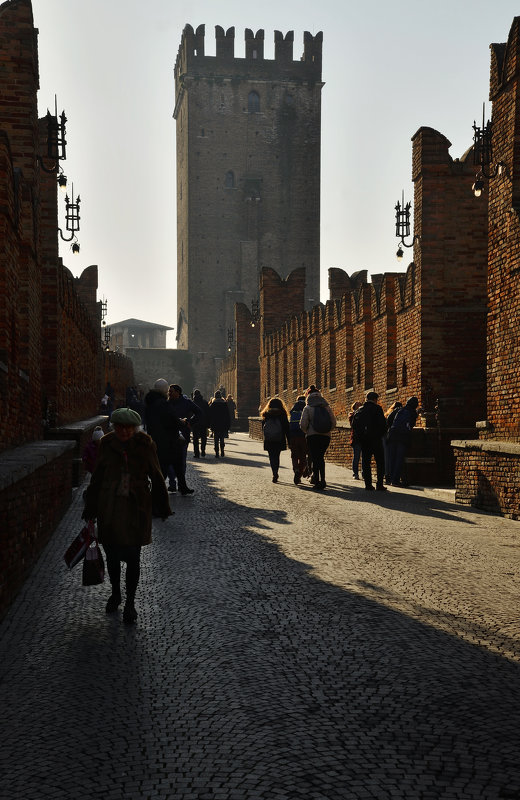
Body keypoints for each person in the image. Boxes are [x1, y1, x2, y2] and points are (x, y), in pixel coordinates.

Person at [82, 407, 172, 624]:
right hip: (110, 506)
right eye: (120, 427)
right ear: (114, 427)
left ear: (135, 428)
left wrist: (162, 505)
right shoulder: (106, 443)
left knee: (133, 557)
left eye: (128, 427)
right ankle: (115, 593)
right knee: (112, 556)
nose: (123, 431)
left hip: (136, 506)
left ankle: (130, 602)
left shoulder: (145, 443)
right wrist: (91, 508)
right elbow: (97, 476)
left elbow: (157, 474)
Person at [144, 379, 193, 495]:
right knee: (165, 468)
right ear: (164, 390)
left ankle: (182, 486)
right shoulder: (162, 403)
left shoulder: (150, 402)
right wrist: (182, 422)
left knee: (176, 465)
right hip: (168, 440)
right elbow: (172, 419)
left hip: (159, 438)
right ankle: (156, 494)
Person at [300, 386, 336, 491]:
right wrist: (327, 430)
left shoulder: (307, 407)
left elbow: (303, 424)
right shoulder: (326, 406)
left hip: (313, 436)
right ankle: (323, 480)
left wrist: (308, 432)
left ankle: (316, 479)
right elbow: (334, 422)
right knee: (321, 457)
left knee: (315, 458)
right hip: (325, 436)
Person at [352, 390, 387, 491]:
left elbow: (354, 426)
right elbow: (383, 425)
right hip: (376, 439)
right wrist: (380, 435)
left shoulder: (359, 410)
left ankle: (368, 484)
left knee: (366, 462)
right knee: (380, 462)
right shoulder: (377, 409)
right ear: (375, 399)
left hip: (364, 440)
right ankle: (379, 484)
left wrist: (360, 437)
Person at [386, 396, 419, 487]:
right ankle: (396, 480)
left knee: (391, 458)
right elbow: (411, 425)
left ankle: (389, 478)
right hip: (403, 437)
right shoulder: (412, 413)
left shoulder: (399, 409)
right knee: (399, 459)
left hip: (392, 435)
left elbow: (389, 419)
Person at [261, 397, 291, 483]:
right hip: (279, 438)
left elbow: (263, 428)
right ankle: (276, 471)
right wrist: (289, 441)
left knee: (271, 456)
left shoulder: (266, 414)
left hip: (269, 439)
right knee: (277, 456)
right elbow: (286, 428)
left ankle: (274, 472)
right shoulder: (282, 414)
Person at [288, 395, 308, 484]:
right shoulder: (306, 409)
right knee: (303, 457)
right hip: (303, 437)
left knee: (294, 456)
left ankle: (296, 469)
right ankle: (299, 472)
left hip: (293, 437)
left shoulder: (293, 411)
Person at [383, 401, 403, 483]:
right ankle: (391, 476)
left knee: (387, 457)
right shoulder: (398, 414)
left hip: (386, 437)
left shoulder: (388, 414)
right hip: (392, 437)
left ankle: (387, 475)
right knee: (392, 458)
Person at [208, 390, 231, 458]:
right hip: (223, 423)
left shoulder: (213, 404)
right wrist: (228, 424)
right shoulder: (224, 404)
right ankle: (222, 450)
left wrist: (210, 424)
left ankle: (217, 452)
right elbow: (227, 415)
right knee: (222, 438)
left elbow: (210, 415)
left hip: (215, 424)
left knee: (216, 439)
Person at [191, 389, 210, 458]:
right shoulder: (205, 402)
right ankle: (203, 450)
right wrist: (208, 423)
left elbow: (190, 413)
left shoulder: (192, 403)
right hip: (203, 422)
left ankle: (196, 453)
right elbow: (208, 413)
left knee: (195, 439)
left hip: (195, 423)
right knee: (203, 438)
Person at [348, 401, 363, 479]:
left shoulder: (363, 414)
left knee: (363, 457)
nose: (360, 406)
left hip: (363, 438)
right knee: (356, 456)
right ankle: (355, 473)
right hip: (356, 438)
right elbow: (352, 424)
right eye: (358, 405)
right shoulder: (352, 415)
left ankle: (364, 473)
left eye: (360, 405)